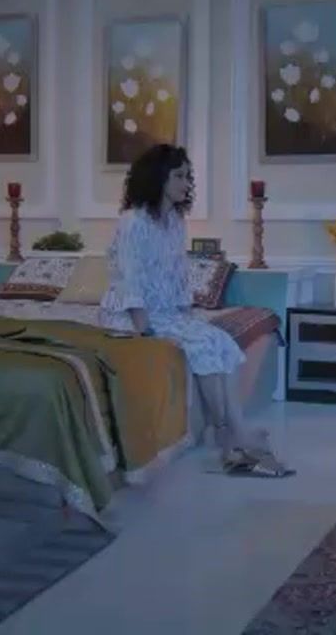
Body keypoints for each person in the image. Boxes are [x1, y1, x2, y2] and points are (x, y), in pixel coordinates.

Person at [100, 144, 292, 478]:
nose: (187, 183)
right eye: (179, 176)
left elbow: (178, 274)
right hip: (131, 315)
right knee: (203, 345)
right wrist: (144, 331)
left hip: (166, 311)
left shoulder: (175, 221)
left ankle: (233, 433)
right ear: (158, 178)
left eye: (188, 176)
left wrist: (186, 316)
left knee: (222, 342)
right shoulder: (133, 222)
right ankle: (230, 440)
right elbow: (130, 277)